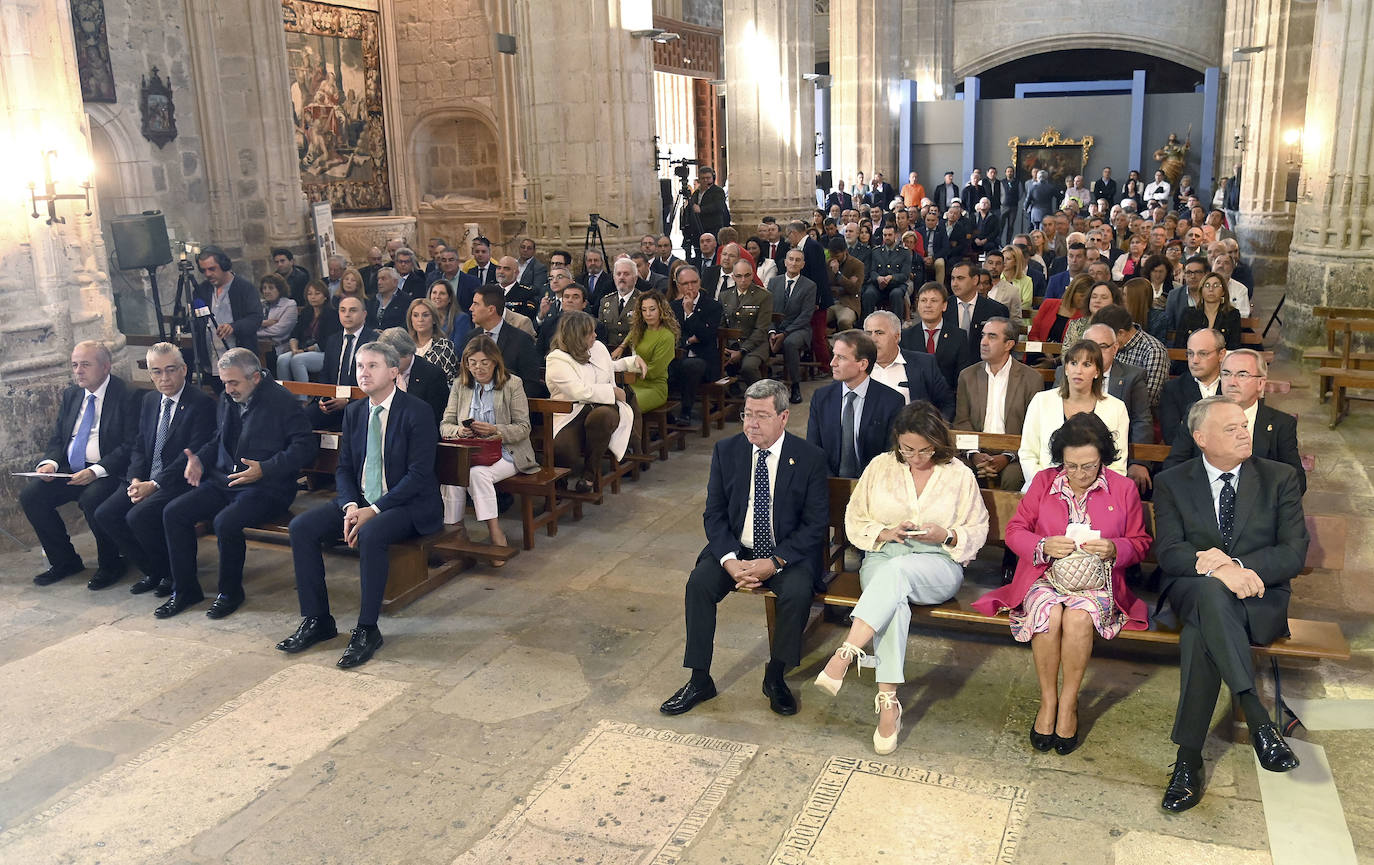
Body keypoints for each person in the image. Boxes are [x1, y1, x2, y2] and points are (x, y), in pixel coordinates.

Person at [1153, 396, 1308, 812]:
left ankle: (1187, 763)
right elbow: (1169, 552)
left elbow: (1294, 553)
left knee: (1201, 632)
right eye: (1232, 428)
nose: (1245, 433)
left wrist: (1235, 566)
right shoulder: (1173, 481)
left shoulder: (1280, 478)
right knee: (1208, 594)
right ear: (1201, 438)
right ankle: (1259, 719)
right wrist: (1219, 571)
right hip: (1195, 588)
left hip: (1259, 596)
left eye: (1245, 425)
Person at [813, 402, 989, 753]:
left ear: (938, 442)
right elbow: (855, 517)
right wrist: (885, 531)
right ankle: (888, 704)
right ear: (898, 441)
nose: (916, 457)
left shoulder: (959, 474)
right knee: (893, 600)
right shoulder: (880, 466)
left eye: (925, 450)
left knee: (895, 578)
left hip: (938, 564)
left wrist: (947, 535)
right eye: (908, 449)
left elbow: (977, 527)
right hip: (884, 556)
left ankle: (846, 654)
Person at [974, 412, 1151, 754]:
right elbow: (1015, 532)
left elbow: (1141, 542)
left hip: (1098, 581)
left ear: (1103, 458)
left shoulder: (1123, 488)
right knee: (1048, 614)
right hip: (1047, 576)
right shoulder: (1044, 482)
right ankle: (1048, 702)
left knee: (1079, 618)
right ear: (1061, 460)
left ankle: (1069, 705)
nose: (1080, 474)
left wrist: (1116, 548)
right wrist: (1042, 546)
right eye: (1071, 466)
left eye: (1089, 465)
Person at [660, 379, 829, 718]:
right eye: (747, 414)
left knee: (796, 592)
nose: (751, 423)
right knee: (698, 585)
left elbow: (815, 524)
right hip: (736, 550)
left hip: (785, 553)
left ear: (783, 417)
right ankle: (699, 678)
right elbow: (714, 513)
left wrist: (775, 561)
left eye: (761, 416)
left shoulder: (809, 458)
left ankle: (776, 674)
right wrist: (728, 560)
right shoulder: (728, 450)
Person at [279, 341, 442, 668]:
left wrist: (374, 510)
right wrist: (351, 505)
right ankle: (317, 619)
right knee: (302, 528)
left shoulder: (416, 411)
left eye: (372, 366)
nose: (363, 373)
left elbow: (420, 475)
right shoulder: (354, 411)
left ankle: (367, 628)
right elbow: (345, 468)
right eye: (359, 367)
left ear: (393, 372)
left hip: (408, 504)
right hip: (362, 501)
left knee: (370, 534)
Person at [159, 349, 317, 619]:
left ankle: (229, 592)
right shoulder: (227, 398)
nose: (228, 389)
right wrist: (198, 460)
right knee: (173, 513)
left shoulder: (281, 401)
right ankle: (185, 590)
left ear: (255, 377)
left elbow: (306, 447)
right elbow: (219, 439)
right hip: (226, 481)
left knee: (225, 522)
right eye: (224, 382)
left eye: (233, 383)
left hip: (268, 487)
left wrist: (265, 469)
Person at [92, 343, 216, 597]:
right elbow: (139, 446)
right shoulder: (149, 400)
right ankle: (153, 570)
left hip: (178, 479)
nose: (164, 378)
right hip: (146, 477)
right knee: (105, 514)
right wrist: (136, 478)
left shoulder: (201, 403)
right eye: (156, 372)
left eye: (170, 370)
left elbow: (192, 454)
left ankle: (172, 574)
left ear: (184, 370)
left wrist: (155, 484)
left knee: (139, 516)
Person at [22, 340, 139, 587]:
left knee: (92, 499)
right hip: (71, 470)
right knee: (32, 495)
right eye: (75, 365)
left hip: (109, 471)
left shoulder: (127, 395)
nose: (78, 371)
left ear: (106, 367)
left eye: (85, 364)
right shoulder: (72, 394)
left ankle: (111, 563)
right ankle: (64, 561)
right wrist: (51, 463)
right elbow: (58, 437)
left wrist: (95, 471)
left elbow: (130, 445)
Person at [438, 335, 538, 549]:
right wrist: (460, 431)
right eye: (472, 363)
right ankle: (455, 529)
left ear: (495, 362)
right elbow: (445, 424)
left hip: (507, 451)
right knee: (451, 474)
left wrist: (496, 430)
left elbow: (523, 427)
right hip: (471, 452)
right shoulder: (460, 385)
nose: (478, 368)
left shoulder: (513, 384)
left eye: (484, 362)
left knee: (476, 474)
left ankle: (494, 531)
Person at [1163, 349, 1305, 490]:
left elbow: (1296, 481)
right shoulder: (1198, 415)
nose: (1232, 382)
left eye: (1242, 375)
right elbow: (1174, 467)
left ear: (1261, 383)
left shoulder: (1281, 424)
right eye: (1226, 374)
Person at [545, 311, 645, 494]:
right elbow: (578, 390)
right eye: (590, 333)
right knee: (563, 449)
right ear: (577, 336)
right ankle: (559, 483)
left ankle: (590, 474)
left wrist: (632, 362)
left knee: (603, 416)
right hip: (571, 412)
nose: (595, 335)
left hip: (601, 407)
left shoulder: (597, 347)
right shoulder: (556, 359)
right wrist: (612, 392)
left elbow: (609, 367)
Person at [1019, 340, 1130, 488]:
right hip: (1044, 488)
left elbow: (1117, 465)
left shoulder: (1116, 408)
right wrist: (1049, 487)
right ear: (1065, 368)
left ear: (1097, 372)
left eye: (1086, 365)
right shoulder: (1041, 401)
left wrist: (1089, 491)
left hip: (1097, 493)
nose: (1078, 370)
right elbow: (1028, 454)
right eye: (1073, 363)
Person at [954, 317, 1044, 490]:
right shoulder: (967, 376)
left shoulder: (1031, 379)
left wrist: (1007, 455)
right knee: (960, 471)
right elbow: (962, 421)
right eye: (983, 336)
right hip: (975, 450)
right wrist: (974, 455)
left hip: (1014, 454)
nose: (984, 342)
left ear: (1008, 344)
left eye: (992, 336)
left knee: (1013, 476)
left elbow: (1032, 427)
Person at [806, 330, 906, 478]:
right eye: (834, 355)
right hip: (828, 484)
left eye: (841, 357)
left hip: (874, 484)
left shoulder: (891, 401)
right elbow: (813, 450)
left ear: (863, 364)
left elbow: (890, 454)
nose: (832, 363)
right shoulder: (821, 397)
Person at [863, 311, 953, 417]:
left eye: (879, 333)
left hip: (911, 431)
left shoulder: (924, 364)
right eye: (869, 333)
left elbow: (947, 404)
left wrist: (932, 431)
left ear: (896, 337)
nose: (873, 339)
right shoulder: (856, 366)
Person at [306, 296, 376, 431]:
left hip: (360, 403)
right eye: (343, 310)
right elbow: (325, 375)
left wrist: (348, 402)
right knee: (304, 417)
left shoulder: (373, 341)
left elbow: (374, 381)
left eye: (353, 310)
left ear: (364, 314)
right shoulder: (333, 340)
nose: (347, 315)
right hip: (332, 400)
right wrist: (322, 398)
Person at [467, 285, 545, 400]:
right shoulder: (471, 338)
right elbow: (465, 376)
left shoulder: (521, 340)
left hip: (508, 408)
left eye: (476, 304)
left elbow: (531, 384)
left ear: (491, 310)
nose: (471, 308)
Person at [194, 247, 263, 377]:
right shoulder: (202, 290)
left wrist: (233, 327)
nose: (207, 274)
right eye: (204, 270)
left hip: (239, 359)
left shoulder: (244, 288)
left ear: (224, 265)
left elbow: (256, 318)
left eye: (212, 269)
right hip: (211, 359)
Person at [668, 267, 721, 428]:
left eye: (694, 282)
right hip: (679, 358)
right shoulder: (672, 307)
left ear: (700, 282)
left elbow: (707, 335)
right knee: (665, 367)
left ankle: (686, 411)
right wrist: (690, 340)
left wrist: (690, 313)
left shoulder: (713, 305)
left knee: (692, 365)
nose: (690, 287)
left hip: (705, 362)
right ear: (677, 285)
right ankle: (666, 414)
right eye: (685, 284)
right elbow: (672, 336)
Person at [614, 289, 678, 415]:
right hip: (632, 383)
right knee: (611, 403)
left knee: (626, 407)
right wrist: (622, 346)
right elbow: (631, 334)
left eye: (652, 309)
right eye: (644, 310)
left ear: (661, 310)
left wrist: (627, 367)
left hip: (653, 387)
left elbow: (653, 372)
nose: (648, 314)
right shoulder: (640, 329)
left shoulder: (666, 336)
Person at [767, 247, 817, 404]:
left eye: (798, 260)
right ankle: (765, 384)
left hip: (799, 329)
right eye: (791, 259)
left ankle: (795, 386)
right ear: (785, 262)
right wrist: (772, 331)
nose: (794, 263)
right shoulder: (774, 282)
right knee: (758, 339)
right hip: (776, 326)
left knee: (790, 343)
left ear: (803, 264)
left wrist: (786, 333)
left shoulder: (809, 286)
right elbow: (767, 311)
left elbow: (806, 316)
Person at [1160, 328, 1226, 445]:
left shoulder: (1232, 387)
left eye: (1203, 354)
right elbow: (1172, 438)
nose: (1194, 360)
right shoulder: (1173, 389)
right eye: (1190, 353)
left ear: (1221, 355)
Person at [902, 281, 970, 393]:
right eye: (923, 300)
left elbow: (962, 379)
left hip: (948, 402)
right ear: (918, 305)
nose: (928, 305)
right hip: (915, 403)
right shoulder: (906, 336)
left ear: (944, 306)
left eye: (933, 301)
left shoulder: (959, 336)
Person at [376, 328, 448, 430]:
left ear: (408, 352)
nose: (390, 364)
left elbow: (434, 417)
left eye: (395, 359)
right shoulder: (383, 373)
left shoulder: (433, 375)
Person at [720, 260, 775, 390]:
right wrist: (723, 348)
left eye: (747, 275)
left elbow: (761, 329)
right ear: (733, 277)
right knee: (714, 363)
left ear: (752, 275)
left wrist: (742, 351)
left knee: (748, 367)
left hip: (756, 344)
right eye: (739, 276)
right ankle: (729, 394)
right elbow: (721, 326)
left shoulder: (763, 296)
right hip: (731, 344)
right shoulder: (724, 296)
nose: (743, 280)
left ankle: (760, 396)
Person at [278, 280, 340, 383]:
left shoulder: (332, 314)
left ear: (325, 296)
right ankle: (286, 394)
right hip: (302, 350)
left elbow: (326, 343)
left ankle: (303, 396)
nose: (313, 297)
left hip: (323, 352)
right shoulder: (306, 312)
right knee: (282, 359)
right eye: (309, 294)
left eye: (317, 293)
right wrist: (294, 349)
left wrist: (304, 351)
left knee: (297, 360)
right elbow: (295, 334)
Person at [944, 260, 1009, 348]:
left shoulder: (996, 310)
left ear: (975, 280)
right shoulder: (943, 307)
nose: (954, 284)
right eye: (952, 278)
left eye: (960, 278)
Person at [1175, 271, 1242, 350]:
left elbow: (1234, 346)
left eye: (1216, 285)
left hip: (1221, 360)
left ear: (1223, 291)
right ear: (1201, 290)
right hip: (1192, 359)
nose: (1211, 289)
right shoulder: (1188, 313)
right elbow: (1179, 345)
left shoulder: (1232, 314)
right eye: (1207, 285)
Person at [863, 224, 912, 319]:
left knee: (896, 294)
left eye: (890, 235)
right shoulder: (876, 251)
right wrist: (878, 278)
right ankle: (866, 324)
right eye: (885, 235)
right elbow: (872, 271)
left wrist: (892, 277)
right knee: (868, 293)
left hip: (896, 285)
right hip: (878, 285)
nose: (887, 237)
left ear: (896, 235)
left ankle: (897, 326)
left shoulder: (904, 253)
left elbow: (905, 275)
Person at [407, 297, 459, 384]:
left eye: (425, 315)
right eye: (415, 315)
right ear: (411, 320)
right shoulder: (406, 347)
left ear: (434, 319)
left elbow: (450, 382)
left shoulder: (445, 346)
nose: (420, 320)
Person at [1028, 274, 1089, 344]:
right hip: (1038, 351)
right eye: (1082, 296)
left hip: (1065, 354)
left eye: (1088, 297)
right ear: (1072, 292)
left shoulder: (1085, 316)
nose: (1084, 299)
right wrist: (1045, 350)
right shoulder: (1048, 304)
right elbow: (1033, 335)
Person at [1064, 281, 1120, 348]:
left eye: (1104, 297)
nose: (1097, 301)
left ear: (1114, 302)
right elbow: (1066, 354)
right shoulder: (1076, 325)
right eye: (1094, 297)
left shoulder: (1120, 326)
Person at [257, 274, 299, 354]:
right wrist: (263, 323)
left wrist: (254, 333)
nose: (266, 291)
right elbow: (248, 323)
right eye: (264, 288)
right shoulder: (259, 304)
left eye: (271, 288)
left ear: (280, 289)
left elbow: (278, 330)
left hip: (279, 348)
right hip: (259, 346)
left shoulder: (289, 305)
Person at [367, 266, 408, 331]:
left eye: (383, 279)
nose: (379, 282)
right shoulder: (373, 300)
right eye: (378, 279)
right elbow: (367, 321)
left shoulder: (406, 300)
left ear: (395, 282)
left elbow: (405, 324)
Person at [691, 166, 729, 238]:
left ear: (713, 178)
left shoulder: (718, 191)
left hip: (713, 227)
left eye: (708, 178)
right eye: (703, 178)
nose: (705, 180)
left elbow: (719, 206)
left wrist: (701, 209)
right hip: (699, 228)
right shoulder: (696, 193)